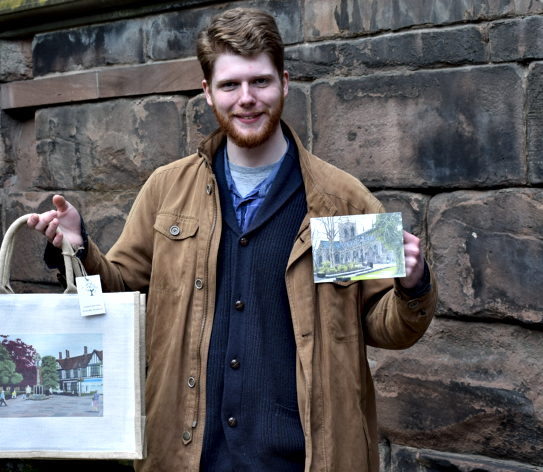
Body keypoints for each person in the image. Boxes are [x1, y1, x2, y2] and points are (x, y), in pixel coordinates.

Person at [28, 7, 437, 472]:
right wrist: (78, 247)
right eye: (230, 85)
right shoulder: (167, 189)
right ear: (207, 93)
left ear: (284, 82)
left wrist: (414, 285)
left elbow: (386, 326)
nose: (246, 99)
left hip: (303, 460)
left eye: (259, 82)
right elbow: (120, 291)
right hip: (186, 457)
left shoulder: (342, 200)